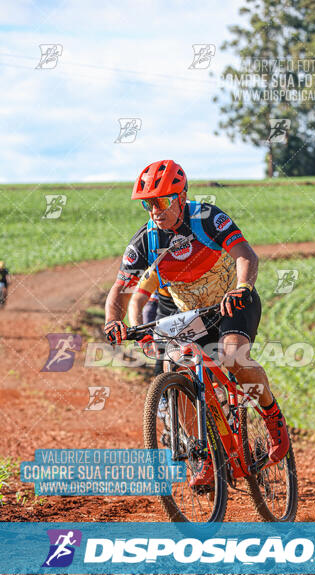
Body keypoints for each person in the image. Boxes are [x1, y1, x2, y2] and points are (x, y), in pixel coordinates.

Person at [104, 159, 290, 487]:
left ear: (180, 197)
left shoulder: (207, 218)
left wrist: (242, 286)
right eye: (147, 204)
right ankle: (202, 459)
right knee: (178, 372)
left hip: (233, 303)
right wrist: (113, 322)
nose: (154, 210)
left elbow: (246, 254)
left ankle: (272, 415)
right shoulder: (146, 241)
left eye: (160, 201)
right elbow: (121, 290)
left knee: (234, 356)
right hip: (195, 318)